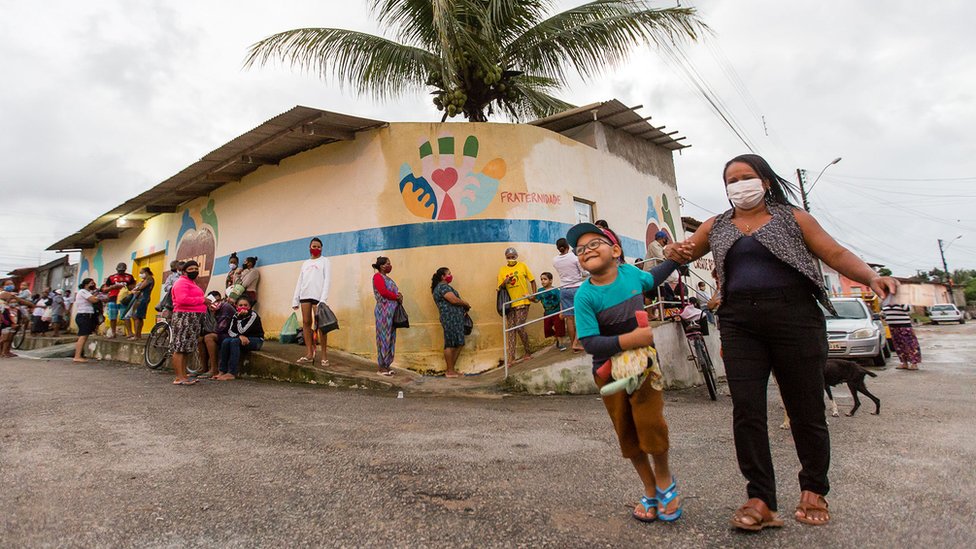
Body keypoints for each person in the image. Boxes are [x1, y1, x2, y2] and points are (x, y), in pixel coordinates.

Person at [673, 153, 899, 530]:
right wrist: (670, 252)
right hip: (739, 321)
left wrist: (870, 276)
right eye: (731, 180)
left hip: (794, 317)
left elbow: (835, 253)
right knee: (747, 411)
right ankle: (760, 498)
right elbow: (684, 251)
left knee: (805, 408)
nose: (739, 185)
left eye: (746, 177)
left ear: (764, 181)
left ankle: (814, 489)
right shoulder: (717, 225)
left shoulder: (794, 218)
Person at [567, 222, 687, 524]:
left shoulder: (631, 275)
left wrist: (675, 258)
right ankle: (648, 488)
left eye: (594, 244)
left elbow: (654, 277)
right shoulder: (585, 297)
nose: (586, 251)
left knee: (651, 423)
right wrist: (630, 340)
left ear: (615, 250)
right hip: (609, 373)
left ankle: (663, 478)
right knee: (627, 432)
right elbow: (590, 342)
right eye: (580, 250)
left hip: (643, 365)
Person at [292, 238, 331, 366]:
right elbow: (300, 281)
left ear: (322, 248)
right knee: (306, 323)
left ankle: (324, 355)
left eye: (319, 246)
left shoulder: (325, 261)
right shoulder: (305, 263)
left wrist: (323, 299)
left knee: (320, 325)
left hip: (318, 297)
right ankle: (309, 354)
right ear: (309, 247)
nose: (316, 248)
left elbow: (327, 281)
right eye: (314, 246)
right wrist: (295, 299)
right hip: (305, 296)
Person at [170, 261, 207, 385]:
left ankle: (183, 376)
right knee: (180, 348)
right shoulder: (181, 283)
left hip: (193, 318)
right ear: (184, 271)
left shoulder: (191, 283)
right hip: (184, 317)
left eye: (196, 268)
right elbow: (182, 299)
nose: (194, 270)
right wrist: (202, 300)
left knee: (185, 348)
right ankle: (179, 377)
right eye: (191, 268)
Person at [497, 247, 536, 364]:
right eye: (508, 257)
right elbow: (499, 287)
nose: (511, 259)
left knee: (519, 327)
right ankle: (511, 358)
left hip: (523, 301)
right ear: (506, 258)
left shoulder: (522, 266)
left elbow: (532, 280)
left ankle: (528, 351)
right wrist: (505, 282)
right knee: (511, 330)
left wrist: (533, 295)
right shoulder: (502, 270)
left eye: (513, 257)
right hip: (509, 304)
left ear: (516, 256)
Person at [431, 267, 470, 378]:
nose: (450, 275)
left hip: (455, 318)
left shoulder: (444, 287)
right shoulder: (442, 287)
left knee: (459, 343)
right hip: (450, 318)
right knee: (451, 343)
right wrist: (465, 304)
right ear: (443, 277)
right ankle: (450, 371)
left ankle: (451, 369)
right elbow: (453, 300)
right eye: (448, 274)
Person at [216, 297, 264, 381]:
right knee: (226, 341)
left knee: (234, 342)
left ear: (249, 307)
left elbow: (243, 330)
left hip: (256, 340)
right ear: (236, 306)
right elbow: (230, 331)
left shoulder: (253, 315)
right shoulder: (235, 315)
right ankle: (222, 370)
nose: (243, 307)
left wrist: (239, 319)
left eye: (246, 305)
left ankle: (232, 372)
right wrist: (239, 336)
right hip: (241, 338)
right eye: (240, 305)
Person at [552, 238, 586, 352]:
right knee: (582, 315)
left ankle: (573, 345)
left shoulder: (555, 260)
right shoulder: (574, 258)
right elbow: (584, 272)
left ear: (558, 248)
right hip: (577, 288)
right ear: (568, 246)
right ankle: (577, 342)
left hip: (564, 289)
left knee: (569, 319)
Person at [371, 256, 402, 376]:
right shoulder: (377, 276)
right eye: (387, 263)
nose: (389, 266)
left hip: (392, 312)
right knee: (383, 336)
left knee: (391, 337)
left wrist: (399, 296)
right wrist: (396, 297)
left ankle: (387, 364)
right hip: (383, 311)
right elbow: (383, 292)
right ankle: (381, 366)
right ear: (381, 266)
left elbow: (392, 292)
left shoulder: (388, 278)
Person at [199, 290, 237, 378]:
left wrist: (213, 313)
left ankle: (214, 369)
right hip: (219, 333)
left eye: (218, 301)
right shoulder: (207, 308)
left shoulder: (226, 307)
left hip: (230, 334)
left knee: (209, 337)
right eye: (212, 301)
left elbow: (220, 329)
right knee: (200, 339)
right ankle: (203, 367)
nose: (215, 303)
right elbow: (203, 325)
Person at [882, 301, 921, 370]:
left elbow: (908, 309)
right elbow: (884, 313)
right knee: (898, 346)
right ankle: (904, 362)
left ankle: (914, 363)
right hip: (893, 327)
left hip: (904, 326)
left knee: (910, 345)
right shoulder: (885, 302)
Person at [101, 262, 136, 338]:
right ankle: (113, 332)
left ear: (125, 269)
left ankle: (129, 332)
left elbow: (133, 286)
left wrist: (127, 288)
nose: (121, 272)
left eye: (123, 270)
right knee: (112, 316)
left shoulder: (129, 277)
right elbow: (104, 289)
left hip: (124, 299)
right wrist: (112, 287)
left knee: (126, 316)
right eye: (120, 270)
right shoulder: (111, 277)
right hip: (113, 298)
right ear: (116, 269)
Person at [71, 278, 102, 363]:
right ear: (86, 284)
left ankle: (79, 355)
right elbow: (93, 300)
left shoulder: (87, 292)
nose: (93, 285)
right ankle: (77, 356)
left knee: (84, 336)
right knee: (83, 336)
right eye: (91, 283)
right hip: (84, 315)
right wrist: (99, 298)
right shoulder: (83, 291)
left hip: (86, 315)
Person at [538, 272, 566, 351]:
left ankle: (561, 343)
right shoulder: (540, 291)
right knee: (547, 329)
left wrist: (561, 311)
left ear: (550, 281)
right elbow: (536, 300)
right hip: (547, 313)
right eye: (541, 279)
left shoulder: (556, 290)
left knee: (559, 328)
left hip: (556, 312)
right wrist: (529, 297)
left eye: (545, 279)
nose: (543, 281)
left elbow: (561, 301)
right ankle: (557, 338)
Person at [127, 267, 155, 340]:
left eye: (142, 273)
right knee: (138, 317)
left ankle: (137, 335)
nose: (140, 274)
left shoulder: (149, 279)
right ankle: (138, 335)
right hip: (141, 298)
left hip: (142, 299)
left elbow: (141, 287)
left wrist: (135, 289)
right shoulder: (145, 280)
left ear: (146, 272)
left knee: (136, 316)